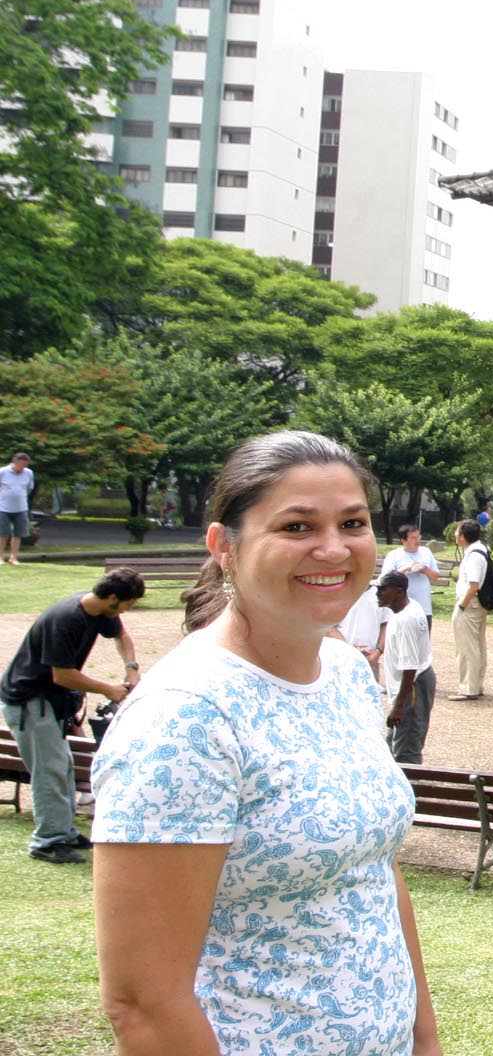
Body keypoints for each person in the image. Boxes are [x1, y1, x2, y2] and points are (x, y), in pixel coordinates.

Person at [91, 430, 439, 1054]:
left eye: (353, 522)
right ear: (225, 546)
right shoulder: (187, 719)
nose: (333, 549)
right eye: (297, 527)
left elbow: (375, 874)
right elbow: (143, 1004)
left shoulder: (346, 676)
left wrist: (423, 1040)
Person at [1, 569, 145, 862]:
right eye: (129, 604)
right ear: (114, 598)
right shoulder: (66, 619)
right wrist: (108, 688)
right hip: (28, 701)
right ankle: (48, 842)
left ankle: (63, 831)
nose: (129, 610)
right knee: (50, 769)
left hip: (46, 701)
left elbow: (122, 636)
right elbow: (62, 676)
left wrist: (131, 667)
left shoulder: (101, 610)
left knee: (61, 764)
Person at [379, 570, 435, 765]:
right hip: (415, 682)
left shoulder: (406, 620)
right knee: (393, 744)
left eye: (383, 590)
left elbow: (410, 667)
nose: (378, 593)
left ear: (399, 592)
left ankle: (412, 791)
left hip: (413, 685)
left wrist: (399, 706)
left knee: (406, 750)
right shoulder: (410, 608)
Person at [449, 519, 489, 700]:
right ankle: (475, 684)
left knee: (467, 648)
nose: (455, 535)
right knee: (477, 646)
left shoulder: (474, 556)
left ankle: (468, 688)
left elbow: (474, 586)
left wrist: (461, 606)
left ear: (463, 536)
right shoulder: (481, 550)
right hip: (477, 606)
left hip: (470, 606)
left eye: (457, 532)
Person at [381, 524, 442, 630]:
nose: (417, 540)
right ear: (403, 540)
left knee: (423, 642)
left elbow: (435, 576)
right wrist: (406, 568)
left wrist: (424, 569)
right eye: (413, 538)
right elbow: (386, 579)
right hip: (400, 607)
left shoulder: (426, 552)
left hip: (423, 608)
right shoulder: (394, 555)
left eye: (418, 537)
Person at [331, 573, 391, 671]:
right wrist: (349, 649)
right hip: (343, 657)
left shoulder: (382, 595)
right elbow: (329, 627)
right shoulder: (339, 594)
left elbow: (386, 624)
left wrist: (378, 652)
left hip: (371, 658)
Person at [1, 450, 34, 565]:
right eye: (22, 464)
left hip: (21, 508)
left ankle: (13, 557)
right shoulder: (3, 472)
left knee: (18, 533)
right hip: (3, 507)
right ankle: (0, 557)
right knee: (2, 533)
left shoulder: (29, 473)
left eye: (26, 465)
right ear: (15, 462)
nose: (24, 467)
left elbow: (29, 488)